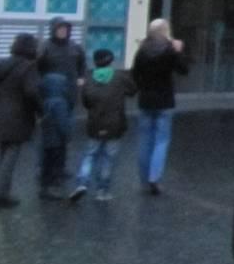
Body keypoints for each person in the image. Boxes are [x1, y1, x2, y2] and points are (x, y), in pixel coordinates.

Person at [0, 32, 41, 208]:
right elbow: (31, 92)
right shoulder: (29, 67)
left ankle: (3, 192)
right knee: (11, 154)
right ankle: (1, 196)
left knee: (4, 153)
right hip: (20, 116)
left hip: (1, 114)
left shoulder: (3, 64)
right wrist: (41, 110)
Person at [131, 18, 189, 195]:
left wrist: (143, 87)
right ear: (166, 31)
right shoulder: (170, 50)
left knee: (144, 140)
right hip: (164, 100)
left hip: (146, 100)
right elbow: (183, 70)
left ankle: (143, 179)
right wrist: (179, 52)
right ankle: (154, 177)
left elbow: (135, 74)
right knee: (161, 141)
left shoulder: (142, 50)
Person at [69, 49, 135, 202]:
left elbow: (86, 102)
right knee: (108, 158)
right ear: (110, 60)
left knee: (90, 155)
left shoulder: (89, 78)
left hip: (95, 123)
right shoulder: (119, 77)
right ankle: (102, 190)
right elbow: (133, 90)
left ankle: (82, 182)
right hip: (115, 124)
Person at [37, 19, 86, 197]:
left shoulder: (75, 47)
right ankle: (44, 168)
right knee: (51, 135)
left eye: (66, 29)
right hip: (52, 95)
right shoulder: (45, 47)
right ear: (53, 30)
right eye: (60, 29)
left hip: (70, 94)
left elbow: (82, 63)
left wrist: (81, 77)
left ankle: (61, 167)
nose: (63, 32)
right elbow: (38, 68)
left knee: (65, 131)